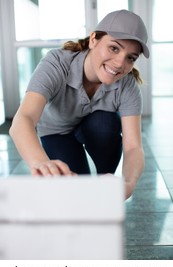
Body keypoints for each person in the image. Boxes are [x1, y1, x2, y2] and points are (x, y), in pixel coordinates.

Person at [9, 9, 149, 199]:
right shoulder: (56, 63)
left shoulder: (127, 84)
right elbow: (23, 120)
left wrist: (128, 182)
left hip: (96, 128)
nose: (119, 63)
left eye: (130, 57)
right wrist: (41, 163)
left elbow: (133, 146)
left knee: (105, 123)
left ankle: (104, 181)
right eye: (114, 48)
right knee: (76, 191)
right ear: (93, 40)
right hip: (56, 132)